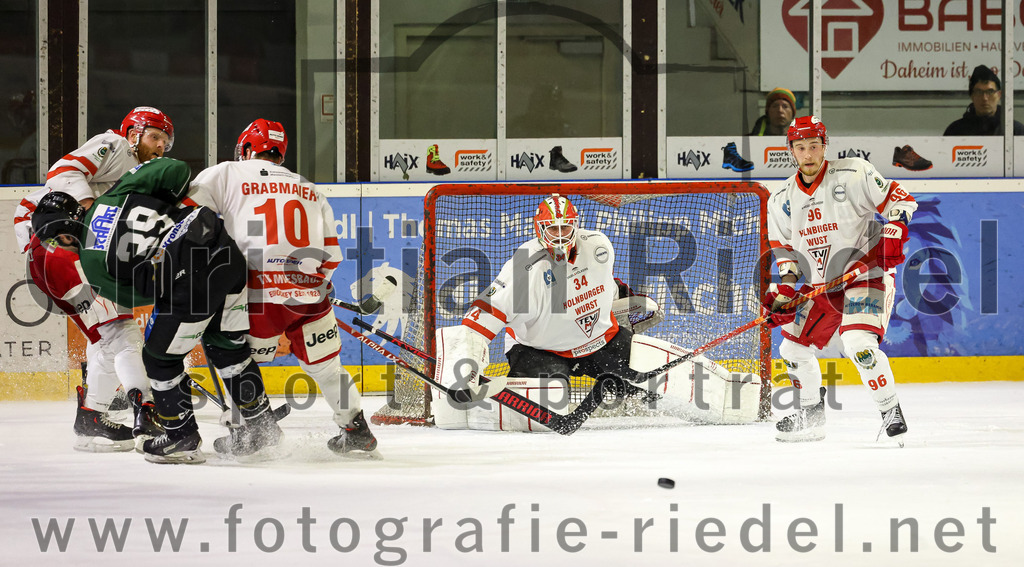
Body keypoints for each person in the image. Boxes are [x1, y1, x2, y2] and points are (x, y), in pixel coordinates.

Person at [188, 119, 380, 458]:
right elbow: (331, 256)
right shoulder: (310, 188)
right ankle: (356, 429)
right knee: (327, 367)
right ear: (280, 154)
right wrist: (306, 288)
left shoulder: (226, 172)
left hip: (252, 291)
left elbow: (186, 217)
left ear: (247, 148)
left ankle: (247, 431)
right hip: (309, 291)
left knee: (237, 362)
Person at [71, 157, 279, 464]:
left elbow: (145, 294)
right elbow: (176, 168)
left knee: (159, 359)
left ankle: (181, 438)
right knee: (229, 350)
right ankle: (263, 431)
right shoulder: (113, 195)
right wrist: (170, 201)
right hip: (226, 251)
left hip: (191, 274)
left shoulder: (89, 264)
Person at [432, 194, 675, 431]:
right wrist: (464, 372)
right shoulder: (524, 268)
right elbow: (478, 322)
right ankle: (478, 412)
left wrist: (623, 298)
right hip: (539, 349)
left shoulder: (598, 245)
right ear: (539, 229)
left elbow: (604, 284)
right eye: (552, 229)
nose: (559, 236)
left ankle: (646, 394)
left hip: (599, 340)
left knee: (656, 386)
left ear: (575, 226)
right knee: (545, 412)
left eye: (565, 228)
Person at [14, 107, 173, 452]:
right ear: (133, 133)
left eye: (165, 141)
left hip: (65, 254)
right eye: (154, 136)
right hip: (58, 245)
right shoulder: (114, 145)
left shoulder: (142, 177)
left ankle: (92, 419)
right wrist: (89, 208)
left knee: (107, 338)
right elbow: (62, 170)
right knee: (123, 334)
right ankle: (145, 409)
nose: (161, 146)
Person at [764, 116, 916, 445]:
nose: (808, 154)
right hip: (822, 284)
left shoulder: (853, 173)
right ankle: (811, 417)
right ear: (791, 150)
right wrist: (786, 292)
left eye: (814, 146)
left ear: (825, 145)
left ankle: (890, 412)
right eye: (800, 147)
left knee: (858, 344)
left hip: (866, 274)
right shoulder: (780, 199)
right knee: (792, 348)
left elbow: (900, 200)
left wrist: (894, 229)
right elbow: (786, 253)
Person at [943, 64, 1024, 136]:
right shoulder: (955, 131)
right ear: (972, 96)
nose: (985, 98)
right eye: (979, 92)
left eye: (990, 92)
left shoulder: (1015, 131)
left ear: (999, 95)